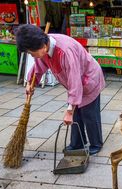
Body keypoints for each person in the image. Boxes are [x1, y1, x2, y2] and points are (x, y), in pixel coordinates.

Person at [15, 24, 105, 155]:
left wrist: (69, 110)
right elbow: (38, 67)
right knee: (76, 113)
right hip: (74, 82)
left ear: (42, 46)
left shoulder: (65, 51)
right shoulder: (43, 48)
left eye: (31, 52)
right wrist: (30, 82)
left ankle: (96, 143)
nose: (32, 55)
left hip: (89, 78)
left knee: (89, 114)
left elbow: (75, 81)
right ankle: (77, 143)